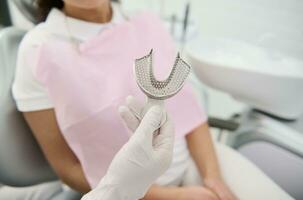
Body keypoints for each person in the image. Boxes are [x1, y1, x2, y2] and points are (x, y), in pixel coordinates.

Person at [12, 0, 294, 199]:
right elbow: (68, 169)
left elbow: (190, 113)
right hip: (126, 192)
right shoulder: (39, 50)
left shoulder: (143, 23)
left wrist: (213, 177)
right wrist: (174, 197)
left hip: (194, 164)